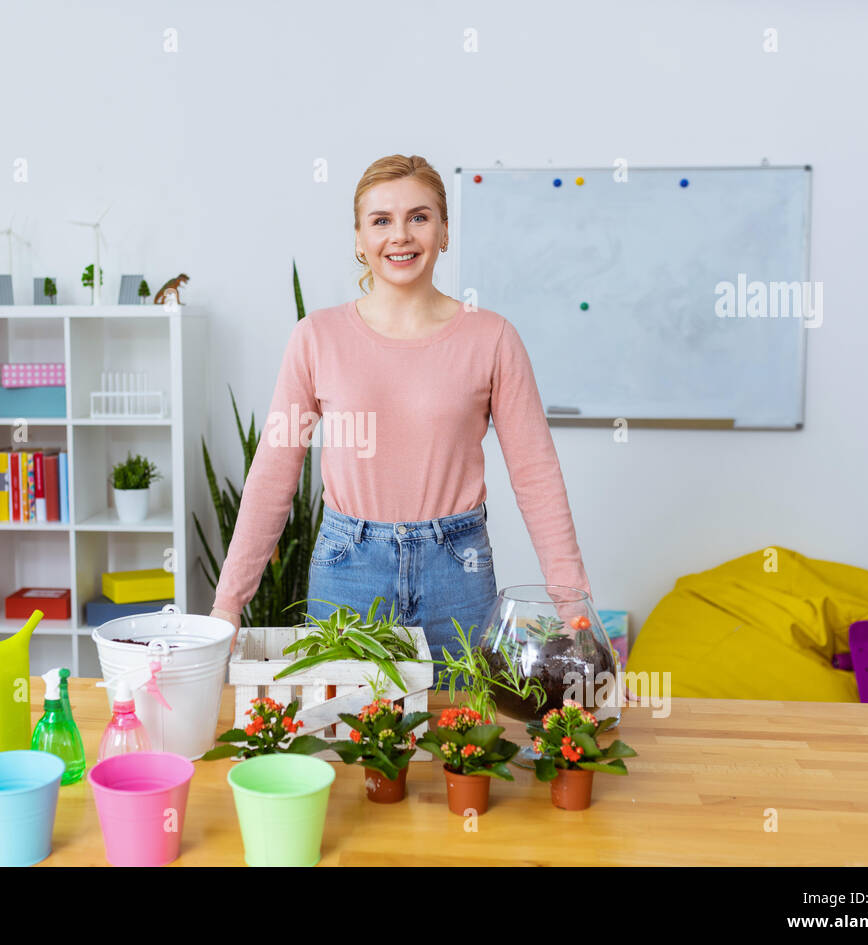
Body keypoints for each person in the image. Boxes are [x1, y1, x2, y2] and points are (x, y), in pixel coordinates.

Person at [209, 153, 592, 669]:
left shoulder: (493, 337)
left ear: (445, 231)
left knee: (460, 742)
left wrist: (573, 607)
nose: (401, 236)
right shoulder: (315, 337)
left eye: (419, 216)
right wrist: (227, 603)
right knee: (346, 740)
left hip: (458, 569)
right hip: (348, 568)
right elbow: (274, 471)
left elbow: (537, 475)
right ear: (359, 238)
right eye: (381, 220)